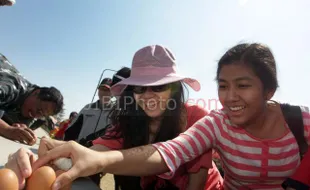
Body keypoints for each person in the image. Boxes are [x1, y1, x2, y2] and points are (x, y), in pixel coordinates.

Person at [5, 45, 223, 190]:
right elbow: (94, 154)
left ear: (175, 89)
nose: (147, 96)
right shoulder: (128, 123)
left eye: (159, 87)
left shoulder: (196, 118)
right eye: (140, 88)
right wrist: (50, 159)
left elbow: (199, 178)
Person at [0, 53, 64, 145]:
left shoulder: (31, 110)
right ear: (36, 93)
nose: (35, 115)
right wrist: (7, 129)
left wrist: (18, 128)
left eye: (41, 115)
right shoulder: (12, 87)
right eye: (39, 110)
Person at [63, 78, 113, 142]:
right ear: (98, 90)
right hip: (82, 147)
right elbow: (71, 130)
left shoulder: (116, 111)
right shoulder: (87, 108)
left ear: (113, 93)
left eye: (108, 90)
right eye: (102, 89)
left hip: (102, 150)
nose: (104, 92)